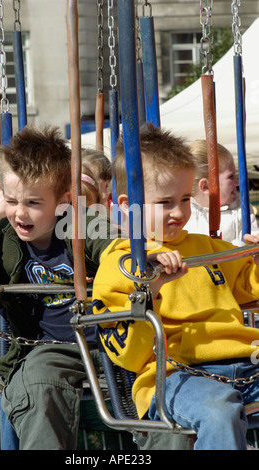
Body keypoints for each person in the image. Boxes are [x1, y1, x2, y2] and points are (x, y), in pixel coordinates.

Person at [92, 123, 259, 450]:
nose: (179, 212)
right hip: (175, 376)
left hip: (246, 361)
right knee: (217, 412)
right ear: (127, 204)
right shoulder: (122, 263)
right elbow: (127, 352)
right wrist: (149, 291)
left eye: (184, 199)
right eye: (165, 202)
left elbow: (250, 286)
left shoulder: (207, 247)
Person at [0, 125, 119, 450]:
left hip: (110, 342)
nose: (20, 212)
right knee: (37, 384)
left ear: (63, 202)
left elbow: (113, 245)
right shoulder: (2, 238)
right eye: (11, 200)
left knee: (162, 398)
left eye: (33, 202)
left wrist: (125, 261)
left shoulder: (81, 223)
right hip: (50, 348)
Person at [185, 140, 259, 245]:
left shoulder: (242, 210)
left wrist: (252, 242)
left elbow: (252, 238)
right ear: (206, 186)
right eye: (230, 176)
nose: (237, 183)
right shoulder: (184, 213)